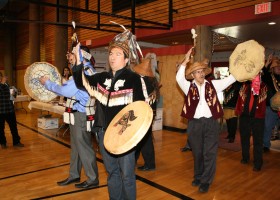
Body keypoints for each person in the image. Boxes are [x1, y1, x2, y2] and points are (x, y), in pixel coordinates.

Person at [71, 31, 146, 199]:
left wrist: (132, 135)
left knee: (127, 175)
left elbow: (140, 108)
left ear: (126, 60)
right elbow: (80, 82)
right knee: (112, 172)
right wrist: (77, 61)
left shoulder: (133, 78)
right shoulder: (101, 77)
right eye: (111, 53)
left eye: (118, 54)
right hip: (103, 133)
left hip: (124, 134)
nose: (112, 57)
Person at [176, 48, 236, 193]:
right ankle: (198, 176)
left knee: (209, 153)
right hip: (194, 124)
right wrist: (186, 59)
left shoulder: (213, 85)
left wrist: (239, 68)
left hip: (211, 123)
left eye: (202, 71)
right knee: (197, 152)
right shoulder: (188, 87)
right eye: (197, 71)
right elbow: (179, 78)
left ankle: (206, 180)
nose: (201, 73)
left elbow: (230, 79)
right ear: (193, 75)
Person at [39, 46, 99, 189]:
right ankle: (74, 175)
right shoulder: (83, 70)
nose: (69, 56)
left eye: (72, 54)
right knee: (77, 148)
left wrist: (47, 83)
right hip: (77, 114)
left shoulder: (83, 71)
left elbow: (65, 90)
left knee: (84, 147)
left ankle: (92, 179)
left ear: (81, 55)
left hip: (80, 116)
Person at [235, 73, 267, 171]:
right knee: (244, 138)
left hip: (258, 118)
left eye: (257, 75)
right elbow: (238, 94)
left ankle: (258, 163)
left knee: (258, 141)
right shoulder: (244, 86)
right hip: (244, 117)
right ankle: (245, 157)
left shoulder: (264, 87)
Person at [133, 58, 159, 171]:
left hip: (142, 113)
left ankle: (150, 164)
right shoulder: (152, 82)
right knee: (141, 138)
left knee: (144, 140)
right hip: (150, 113)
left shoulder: (141, 82)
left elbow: (137, 99)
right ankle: (136, 159)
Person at [0, 72, 24, 148]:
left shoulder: (7, 85)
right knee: (0, 128)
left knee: (14, 127)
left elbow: (13, 97)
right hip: (0, 111)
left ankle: (16, 142)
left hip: (10, 110)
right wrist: (3, 83)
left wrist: (14, 91)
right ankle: (3, 143)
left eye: (1, 76)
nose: (2, 78)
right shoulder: (3, 85)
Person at [262, 55, 280, 152]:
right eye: (277, 67)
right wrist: (267, 63)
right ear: (272, 69)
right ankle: (265, 145)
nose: (279, 68)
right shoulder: (269, 78)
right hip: (271, 108)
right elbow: (262, 74)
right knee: (268, 126)